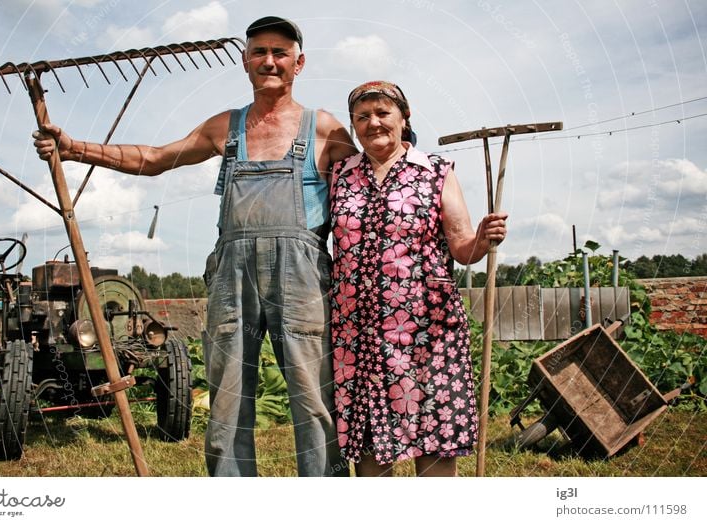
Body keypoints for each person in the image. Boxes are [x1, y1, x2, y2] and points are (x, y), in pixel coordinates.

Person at [33, 16, 357, 476]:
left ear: (298, 63)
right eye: (259, 51)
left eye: (280, 52)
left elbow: (375, 180)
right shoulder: (226, 126)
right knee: (227, 394)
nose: (269, 60)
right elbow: (154, 159)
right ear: (245, 61)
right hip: (232, 274)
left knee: (312, 391)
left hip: (302, 275)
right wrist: (75, 148)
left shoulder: (323, 128)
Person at [329, 81, 507, 476]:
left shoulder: (435, 172)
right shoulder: (340, 174)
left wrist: (482, 238)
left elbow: (462, 248)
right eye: (363, 117)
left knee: (435, 430)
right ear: (354, 126)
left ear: (404, 118)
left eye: (382, 113)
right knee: (371, 438)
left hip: (428, 326)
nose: (373, 123)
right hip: (360, 331)